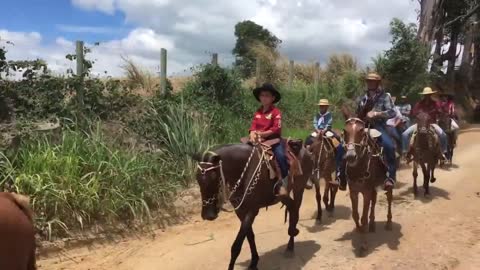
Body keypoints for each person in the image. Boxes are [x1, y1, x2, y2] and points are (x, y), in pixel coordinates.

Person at [338, 72, 397, 191]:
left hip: (378, 126)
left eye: (373, 81)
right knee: (341, 146)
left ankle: (390, 177)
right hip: (362, 126)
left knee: (389, 146)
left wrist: (377, 113)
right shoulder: (362, 97)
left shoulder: (385, 97)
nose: (370, 83)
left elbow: (392, 112)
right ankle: (341, 176)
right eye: (368, 81)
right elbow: (357, 113)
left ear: (377, 83)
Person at [249, 83, 289, 196]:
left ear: (273, 98)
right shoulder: (258, 112)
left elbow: (276, 129)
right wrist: (252, 133)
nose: (264, 97)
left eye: (267, 95)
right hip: (258, 139)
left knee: (281, 156)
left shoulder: (276, 112)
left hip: (274, 141)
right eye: (262, 95)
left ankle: (284, 182)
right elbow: (253, 126)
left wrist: (261, 134)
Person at [305, 99, 344, 185]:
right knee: (308, 139)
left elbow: (329, 123)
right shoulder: (317, 115)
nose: (321, 107)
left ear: (326, 107)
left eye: (323, 106)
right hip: (317, 131)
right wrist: (317, 130)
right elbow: (315, 123)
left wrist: (324, 130)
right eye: (320, 106)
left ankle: (338, 168)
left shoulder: (329, 115)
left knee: (337, 140)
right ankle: (308, 162)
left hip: (327, 131)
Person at [401, 87, 448, 160]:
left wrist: (440, 113)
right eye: (426, 95)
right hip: (420, 124)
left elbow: (440, 112)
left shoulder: (435, 104)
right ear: (424, 95)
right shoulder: (419, 104)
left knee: (443, 135)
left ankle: (443, 152)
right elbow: (413, 113)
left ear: (431, 95)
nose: (427, 96)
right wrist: (418, 115)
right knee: (405, 134)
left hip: (432, 123)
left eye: (429, 95)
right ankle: (406, 152)